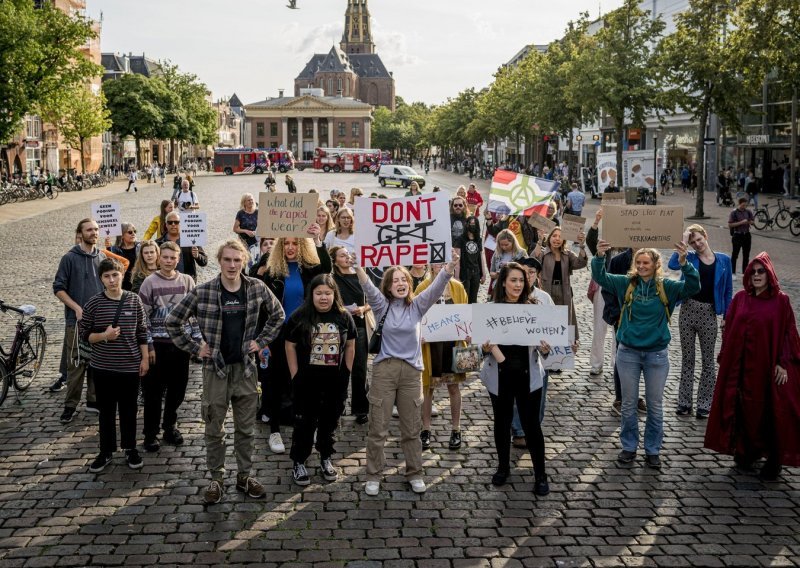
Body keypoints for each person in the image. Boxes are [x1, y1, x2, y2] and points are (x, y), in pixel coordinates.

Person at [165, 240, 285, 505]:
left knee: (246, 430)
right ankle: (216, 479)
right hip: (215, 370)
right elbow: (173, 321)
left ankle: (244, 477)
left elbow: (278, 315)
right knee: (214, 429)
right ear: (219, 261)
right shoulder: (204, 292)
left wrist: (261, 341)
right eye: (227, 260)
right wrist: (196, 348)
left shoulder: (256, 287)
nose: (232, 265)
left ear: (244, 261)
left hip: (245, 369)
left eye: (237, 260)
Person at [356, 251, 461, 496]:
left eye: (404, 280)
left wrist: (449, 266)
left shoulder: (417, 306)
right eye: (395, 281)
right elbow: (368, 287)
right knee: (378, 427)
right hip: (385, 370)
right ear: (388, 286)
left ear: (409, 284)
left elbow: (436, 288)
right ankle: (373, 475)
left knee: (412, 428)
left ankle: (414, 473)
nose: (400, 284)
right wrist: (358, 266)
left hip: (412, 373)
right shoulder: (382, 306)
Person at [592, 240, 699, 469]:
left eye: (646, 262)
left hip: (657, 356)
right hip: (628, 353)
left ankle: (653, 450)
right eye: (638, 262)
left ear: (655, 264)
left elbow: (692, 287)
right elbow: (601, 279)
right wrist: (600, 256)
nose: (641, 266)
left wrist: (685, 264)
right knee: (629, 404)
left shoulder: (666, 286)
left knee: (655, 405)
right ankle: (629, 447)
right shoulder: (626, 283)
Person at [704, 253, 800, 480]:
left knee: (770, 411)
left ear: (769, 274)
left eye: (761, 271)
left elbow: (789, 333)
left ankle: (774, 460)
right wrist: (726, 356)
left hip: (767, 367)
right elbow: (729, 330)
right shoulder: (740, 298)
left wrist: (783, 364)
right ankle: (747, 450)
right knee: (744, 408)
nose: (756, 275)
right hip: (741, 367)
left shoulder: (781, 301)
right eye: (753, 272)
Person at [480, 262, 550, 495]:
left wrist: (547, 347)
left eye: (521, 280)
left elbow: (544, 347)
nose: (518, 284)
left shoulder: (534, 307)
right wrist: (493, 352)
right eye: (513, 280)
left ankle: (540, 474)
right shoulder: (490, 308)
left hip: (528, 374)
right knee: (502, 422)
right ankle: (502, 467)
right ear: (503, 282)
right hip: (500, 375)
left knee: (532, 426)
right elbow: (483, 344)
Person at [258, 228, 331, 453]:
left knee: (306, 381)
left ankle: (308, 424)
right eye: (287, 243)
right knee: (275, 382)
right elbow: (263, 308)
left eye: (295, 243)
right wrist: (263, 340)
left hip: (305, 334)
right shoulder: (272, 271)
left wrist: (318, 239)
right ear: (281, 245)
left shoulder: (308, 270)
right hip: (278, 334)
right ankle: (275, 431)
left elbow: (326, 270)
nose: (290, 247)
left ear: (302, 246)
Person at [53, 219, 131, 424]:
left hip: (101, 321)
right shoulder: (69, 258)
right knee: (76, 365)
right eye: (89, 230)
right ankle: (70, 405)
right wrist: (77, 308)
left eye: (96, 229)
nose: (94, 233)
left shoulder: (103, 256)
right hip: (76, 321)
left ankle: (93, 400)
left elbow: (119, 273)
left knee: (97, 363)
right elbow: (58, 288)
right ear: (80, 233)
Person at [285, 274, 356, 485]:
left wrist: (347, 371)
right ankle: (299, 461)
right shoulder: (300, 316)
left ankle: (326, 457)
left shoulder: (344, 317)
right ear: (311, 295)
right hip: (307, 382)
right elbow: (289, 345)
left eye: (327, 293)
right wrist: (295, 374)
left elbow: (351, 344)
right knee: (304, 423)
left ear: (335, 294)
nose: (323, 298)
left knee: (329, 422)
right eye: (319, 293)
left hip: (335, 382)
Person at [79, 258, 149, 473]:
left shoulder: (133, 300)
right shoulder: (94, 303)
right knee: (106, 412)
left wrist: (145, 358)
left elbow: (142, 332)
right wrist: (104, 336)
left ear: (122, 275)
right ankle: (105, 450)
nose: (112, 280)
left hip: (129, 367)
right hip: (103, 368)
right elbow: (85, 336)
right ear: (101, 279)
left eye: (115, 275)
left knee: (129, 410)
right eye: (107, 276)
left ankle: (130, 448)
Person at [138, 241, 198, 452]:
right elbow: (142, 318)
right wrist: (149, 346)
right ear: (158, 258)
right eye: (165, 257)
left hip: (181, 345)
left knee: (177, 390)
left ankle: (169, 426)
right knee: (153, 392)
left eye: (173, 258)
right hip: (158, 346)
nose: (169, 261)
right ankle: (150, 434)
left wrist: (196, 344)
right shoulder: (149, 282)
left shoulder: (187, 281)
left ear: (178, 259)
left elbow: (194, 314)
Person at [667, 225, 733, 418]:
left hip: (709, 313)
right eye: (693, 241)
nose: (697, 244)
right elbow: (672, 265)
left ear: (706, 236)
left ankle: (705, 403)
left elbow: (728, 289)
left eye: (699, 240)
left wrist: (727, 316)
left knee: (708, 361)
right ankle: (684, 403)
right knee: (688, 360)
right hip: (688, 309)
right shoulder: (690, 257)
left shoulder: (724, 260)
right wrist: (683, 240)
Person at [416, 263, 468, 451]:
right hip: (430, 347)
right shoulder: (422, 287)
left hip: (452, 345)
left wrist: (467, 333)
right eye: (437, 263)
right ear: (430, 266)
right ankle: (426, 429)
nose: (441, 267)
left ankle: (456, 429)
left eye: (444, 263)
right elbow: (416, 315)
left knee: (453, 388)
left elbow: (465, 316)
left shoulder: (457, 287)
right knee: (428, 388)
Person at [330, 246, 371, 425]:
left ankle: (361, 408)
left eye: (347, 254)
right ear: (335, 260)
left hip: (359, 325)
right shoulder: (331, 279)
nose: (346, 257)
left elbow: (372, 299)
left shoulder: (359, 276)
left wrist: (363, 308)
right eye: (342, 255)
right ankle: (337, 406)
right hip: (338, 328)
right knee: (337, 369)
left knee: (360, 369)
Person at [533, 226, 587, 344]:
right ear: (550, 237)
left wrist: (582, 245)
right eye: (554, 236)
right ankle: (545, 344)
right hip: (547, 290)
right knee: (547, 318)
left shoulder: (567, 255)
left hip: (564, 291)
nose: (557, 239)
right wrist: (539, 240)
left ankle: (563, 348)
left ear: (564, 240)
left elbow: (581, 263)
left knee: (564, 319)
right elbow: (533, 259)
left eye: (560, 236)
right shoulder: (543, 253)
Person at [156, 211, 208, 282]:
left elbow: (204, 262)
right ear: (166, 225)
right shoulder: (158, 242)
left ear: (181, 224)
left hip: (186, 281)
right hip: (164, 281)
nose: (173, 224)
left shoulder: (190, 240)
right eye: (170, 222)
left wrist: (197, 256)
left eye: (176, 222)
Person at [459, 215, 486, 304]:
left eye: (474, 224)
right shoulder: (461, 239)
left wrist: (484, 273)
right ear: (466, 225)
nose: (472, 225)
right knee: (465, 297)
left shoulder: (478, 240)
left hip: (476, 272)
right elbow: (458, 258)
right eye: (470, 223)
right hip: (465, 272)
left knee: (473, 298)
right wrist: (456, 276)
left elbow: (481, 257)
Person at [728, 197, 754, 275]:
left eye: (746, 205)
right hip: (737, 235)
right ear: (739, 204)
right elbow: (730, 225)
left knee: (746, 255)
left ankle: (744, 273)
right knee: (735, 254)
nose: (744, 207)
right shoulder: (734, 213)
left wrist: (750, 222)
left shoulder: (748, 212)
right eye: (743, 205)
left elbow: (752, 221)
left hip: (746, 235)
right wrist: (741, 222)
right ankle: (733, 273)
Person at [110, 223, 140, 291]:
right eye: (130, 232)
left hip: (138, 282)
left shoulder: (140, 247)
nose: (133, 234)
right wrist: (108, 248)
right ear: (122, 235)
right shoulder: (114, 249)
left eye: (135, 231)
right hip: (122, 284)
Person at [449, 196, 468, 279]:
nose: (458, 207)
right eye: (455, 205)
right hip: (450, 253)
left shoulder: (468, 220)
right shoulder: (446, 218)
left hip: (464, 254)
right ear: (452, 206)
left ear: (464, 206)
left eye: (460, 205)